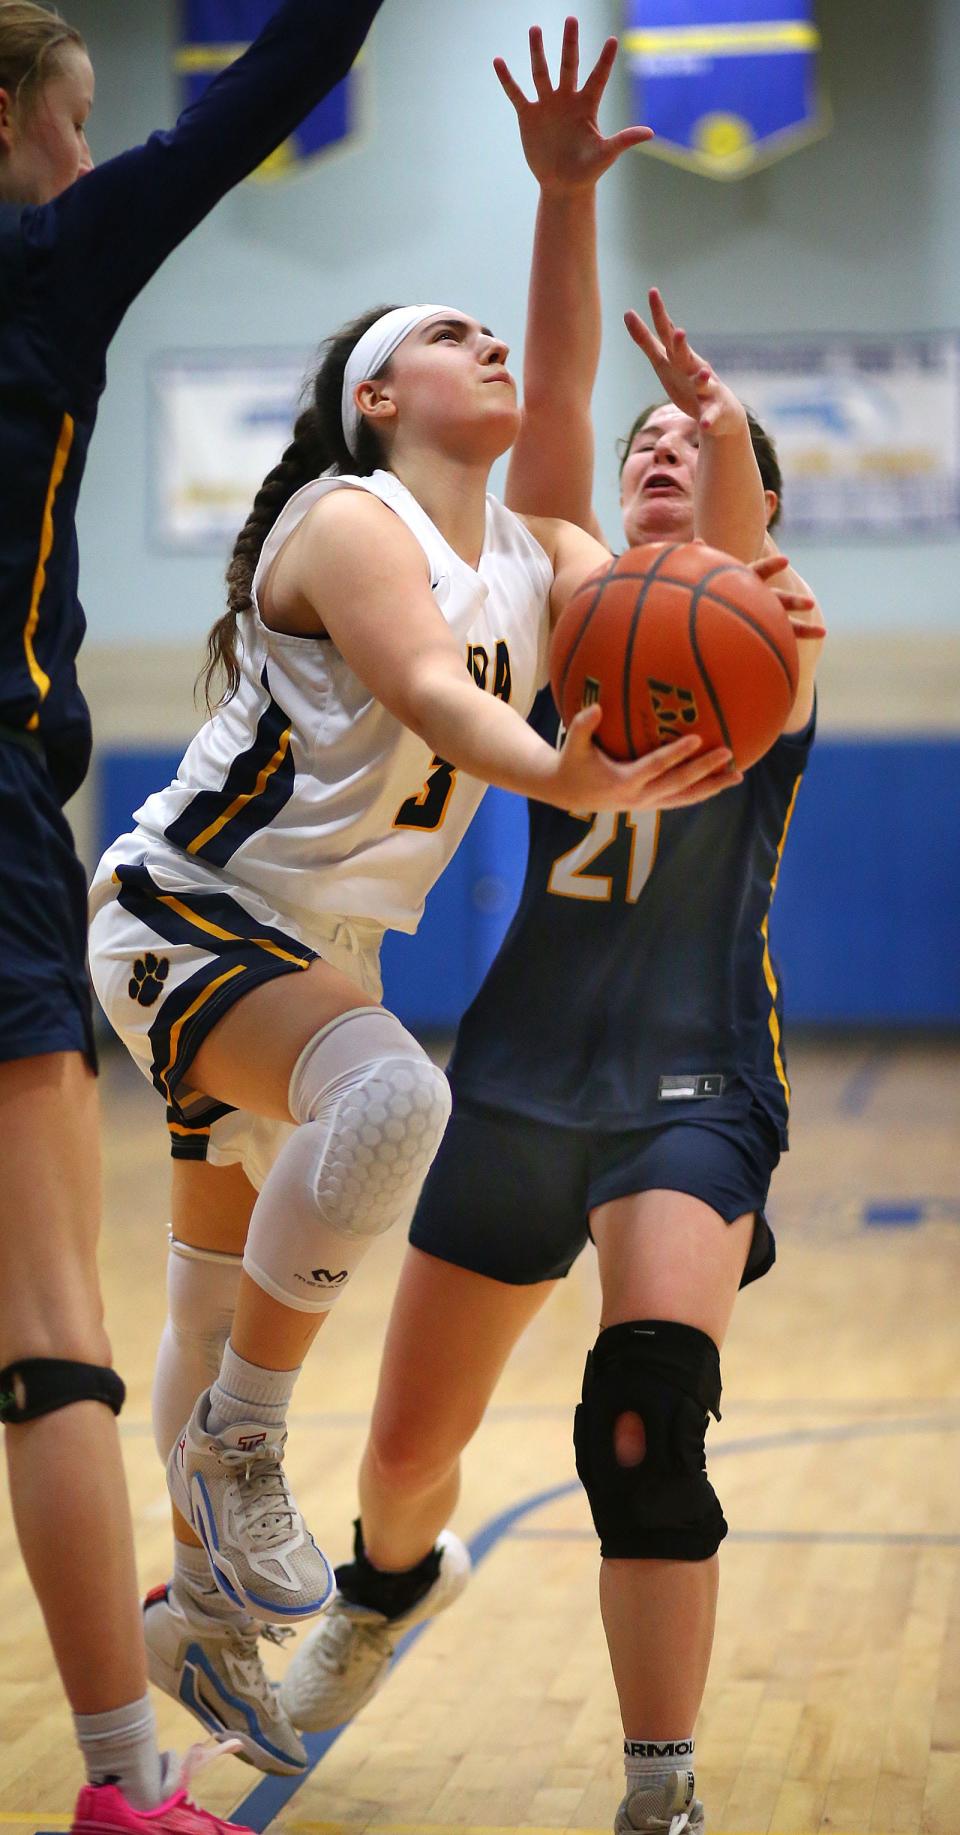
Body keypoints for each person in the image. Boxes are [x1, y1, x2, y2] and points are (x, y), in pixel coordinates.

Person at [276, 24, 826, 1835]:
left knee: (645, 1410)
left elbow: (728, 556)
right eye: (649, 449)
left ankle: (658, 1790)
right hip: (514, 1075)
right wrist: (562, 205)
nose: (660, 458)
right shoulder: (574, 599)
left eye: (697, 449)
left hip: (688, 1089)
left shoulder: (773, 642)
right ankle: (378, 1595)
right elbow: (569, 414)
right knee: (408, 1458)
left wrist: (728, 435)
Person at [86, 278, 744, 1776]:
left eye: (492, 330)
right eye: (452, 336)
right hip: (193, 905)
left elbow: (570, 394)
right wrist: (563, 776)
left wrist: (569, 195)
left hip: (320, 948)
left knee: (204, 1301)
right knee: (393, 1106)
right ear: (379, 397)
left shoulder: (530, 550)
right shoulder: (347, 519)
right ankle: (245, 1449)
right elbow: (434, 693)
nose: (493, 345)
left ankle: (195, 1612)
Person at [0, 2, 390, 1827]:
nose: (85, 162)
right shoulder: (48, 256)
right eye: (69, 126)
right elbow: (274, 84)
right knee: (49, 1331)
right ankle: (113, 1776)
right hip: (21, 830)